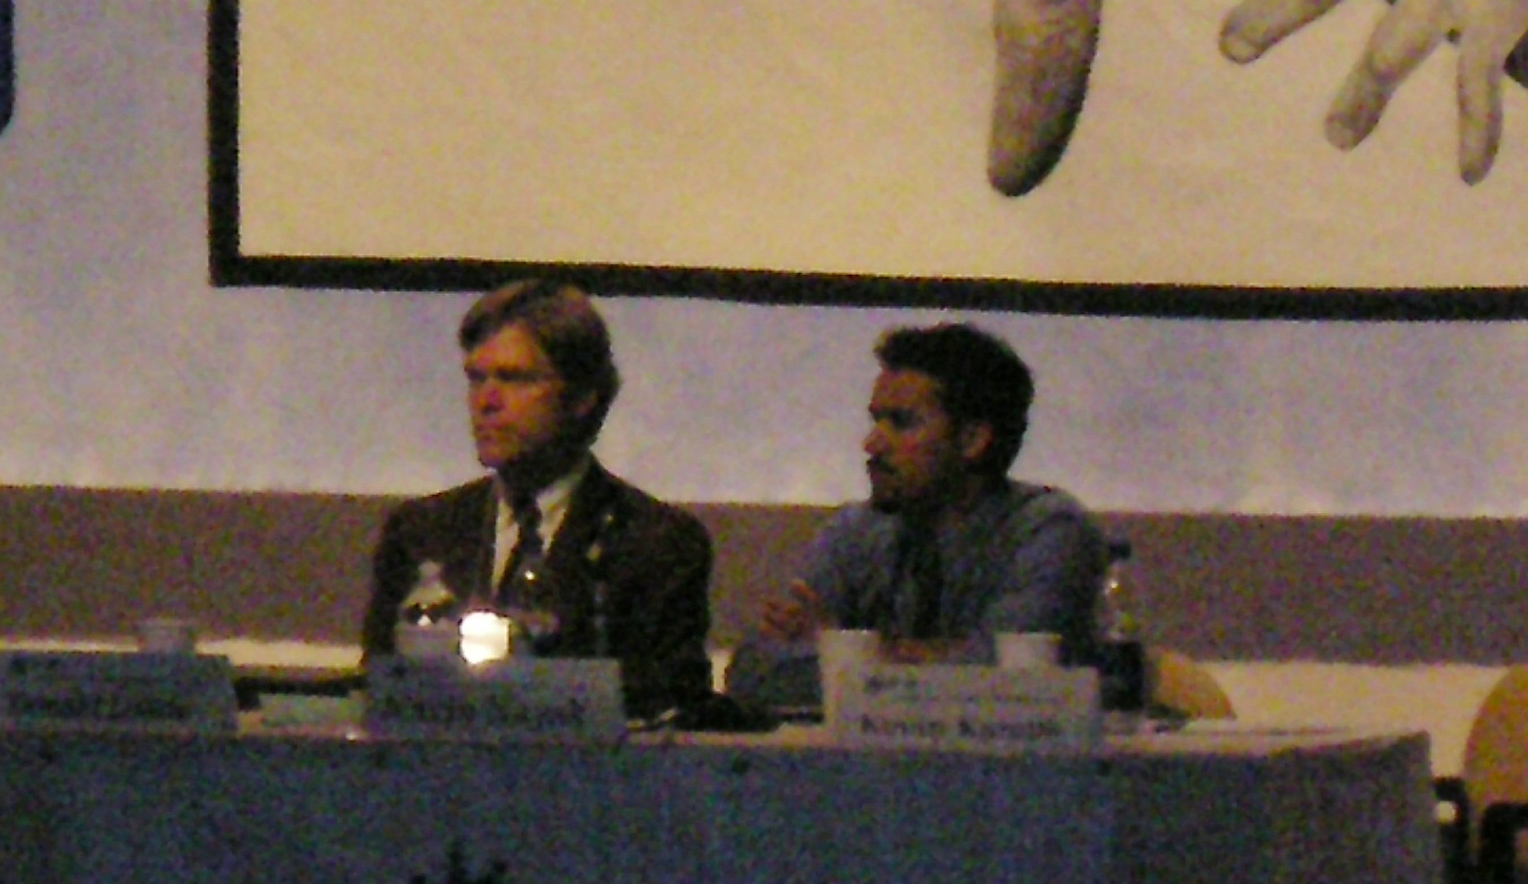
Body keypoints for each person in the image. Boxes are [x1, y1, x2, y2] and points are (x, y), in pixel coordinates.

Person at [360, 279, 714, 718]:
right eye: (476, 379)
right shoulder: (421, 532)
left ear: (582, 397)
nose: (487, 402)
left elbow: (671, 709)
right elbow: (379, 689)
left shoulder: (656, 543)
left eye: (514, 379)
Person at [727, 321, 1108, 713]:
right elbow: (754, 673)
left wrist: (850, 653)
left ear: (972, 440)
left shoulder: (1048, 533)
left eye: (902, 422)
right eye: (875, 420)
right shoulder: (856, 530)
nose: (872, 444)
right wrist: (905, 663)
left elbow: (1007, 684)